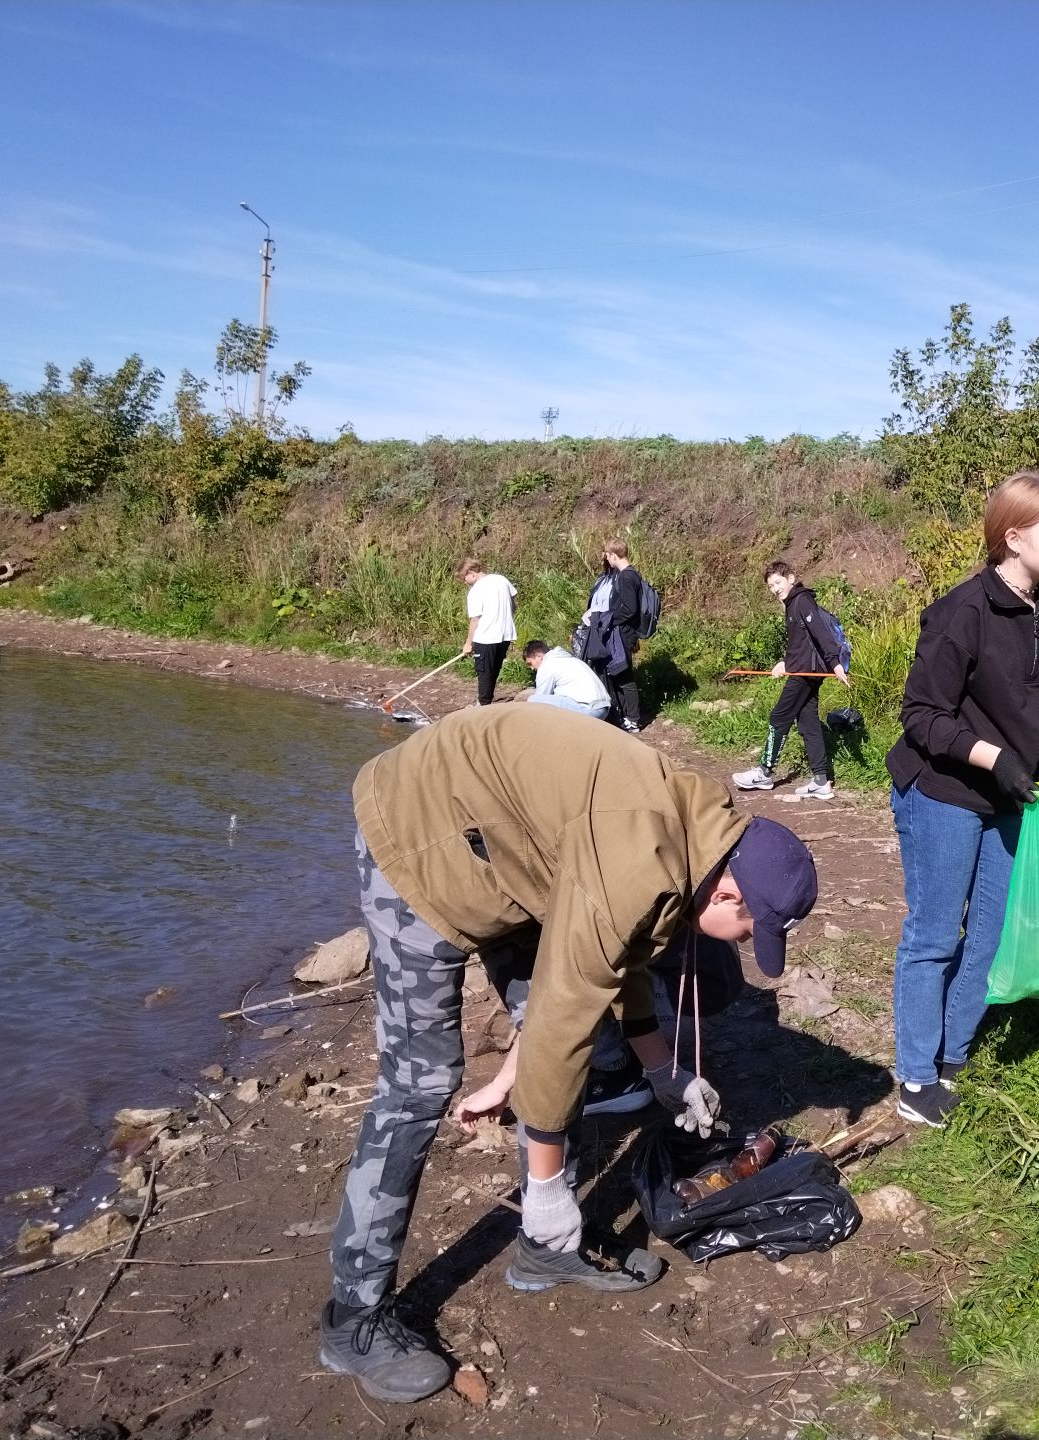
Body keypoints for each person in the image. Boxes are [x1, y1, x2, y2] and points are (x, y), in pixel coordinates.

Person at [319, 703, 818, 1403]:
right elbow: (562, 1015)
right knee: (422, 1083)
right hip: (419, 832)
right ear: (730, 887)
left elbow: (623, 954)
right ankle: (355, 1317)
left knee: (591, 1044)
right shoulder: (635, 856)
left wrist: (661, 1067)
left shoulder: (708, 832)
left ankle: (543, 1249)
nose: (742, 942)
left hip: (511, 847)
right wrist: (551, 1186)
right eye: (748, 928)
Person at [884, 470, 1039, 1129]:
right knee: (935, 933)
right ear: (1014, 536)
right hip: (942, 790)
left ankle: (950, 1057)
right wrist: (994, 758)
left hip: (1009, 796)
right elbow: (922, 716)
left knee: (991, 937)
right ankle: (913, 1077)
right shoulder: (960, 614)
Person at [732, 561, 851, 801]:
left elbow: (821, 633)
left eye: (778, 582)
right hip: (804, 669)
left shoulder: (801, 600)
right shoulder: (792, 604)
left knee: (779, 717)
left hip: (806, 673)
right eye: (770, 586)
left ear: (791, 579)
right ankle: (820, 781)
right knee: (808, 723)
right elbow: (800, 644)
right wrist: (785, 663)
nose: (775, 589)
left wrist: (836, 663)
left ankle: (765, 772)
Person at [601, 540, 647, 733]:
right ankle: (626, 716)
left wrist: (607, 619)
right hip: (625, 631)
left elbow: (629, 610)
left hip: (623, 632)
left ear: (614, 555)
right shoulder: (631, 574)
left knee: (625, 676)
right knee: (619, 674)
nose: (607, 560)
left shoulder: (626, 577)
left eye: (607, 555)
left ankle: (633, 720)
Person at [458, 558, 517, 705]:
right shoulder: (501, 580)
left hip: (486, 637)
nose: (465, 583)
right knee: (494, 670)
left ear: (471, 573)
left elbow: (475, 619)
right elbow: (513, 603)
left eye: (464, 578)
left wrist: (468, 644)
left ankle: (483, 706)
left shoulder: (476, 591)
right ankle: (486, 701)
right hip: (505, 634)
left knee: (484, 672)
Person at [523, 639, 612, 720]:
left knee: (533, 699)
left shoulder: (546, 666)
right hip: (603, 709)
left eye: (530, 663)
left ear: (538, 654)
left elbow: (540, 700)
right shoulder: (570, 660)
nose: (532, 668)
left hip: (588, 710)